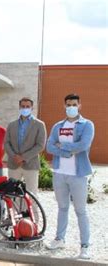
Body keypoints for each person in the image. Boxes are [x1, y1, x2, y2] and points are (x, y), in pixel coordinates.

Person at [45, 94, 94, 260]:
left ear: (79, 105)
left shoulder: (87, 125)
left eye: (74, 104)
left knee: (81, 210)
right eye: (68, 104)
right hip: (60, 173)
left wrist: (63, 145)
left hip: (78, 175)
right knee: (62, 208)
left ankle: (85, 246)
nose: (71, 107)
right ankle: (60, 238)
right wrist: (68, 152)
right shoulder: (58, 126)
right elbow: (50, 146)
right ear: (64, 106)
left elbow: (84, 145)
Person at [4, 97, 47, 194]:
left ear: (32, 108)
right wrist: (14, 156)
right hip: (13, 163)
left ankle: (32, 210)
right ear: (19, 107)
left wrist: (23, 157)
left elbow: (40, 145)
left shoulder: (39, 125)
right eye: (23, 106)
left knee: (32, 193)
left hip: (31, 164)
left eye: (27, 106)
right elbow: (6, 143)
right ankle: (15, 210)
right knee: (12, 192)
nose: (25, 108)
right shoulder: (11, 125)